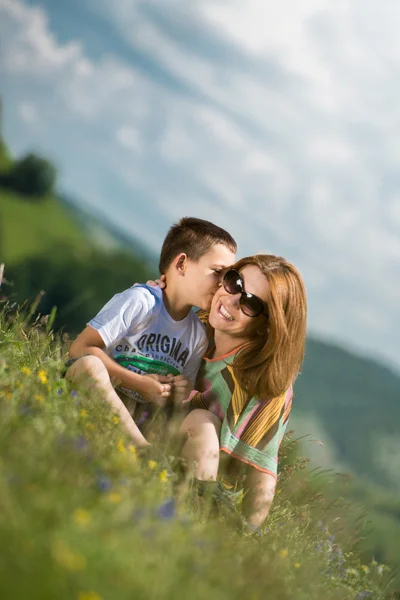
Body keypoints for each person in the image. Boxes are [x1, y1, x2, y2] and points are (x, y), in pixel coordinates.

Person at [66, 217, 237, 449]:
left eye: (227, 277)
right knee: (90, 366)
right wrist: (138, 382)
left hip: (136, 418)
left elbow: (175, 403)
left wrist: (179, 391)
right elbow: (79, 349)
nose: (222, 284)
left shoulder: (197, 335)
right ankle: (141, 450)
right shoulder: (141, 301)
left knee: (203, 422)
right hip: (89, 395)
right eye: (217, 272)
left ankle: (177, 472)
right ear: (182, 264)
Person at [176, 254, 307, 531]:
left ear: (268, 326)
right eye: (234, 282)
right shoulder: (194, 321)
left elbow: (263, 472)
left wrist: (247, 536)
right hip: (152, 425)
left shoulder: (267, 385)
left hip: (204, 473)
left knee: (202, 421)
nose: (232, 300)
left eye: (250, 304)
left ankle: (199, 515)